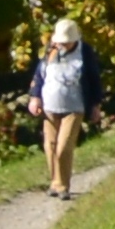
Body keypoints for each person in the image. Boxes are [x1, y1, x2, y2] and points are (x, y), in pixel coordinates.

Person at [32, 16, 97, 200]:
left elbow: (94, 79)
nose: (63, 45)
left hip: (74, 107)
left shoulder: (85, 52)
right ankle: (55, 182)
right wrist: (35, 97)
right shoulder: (50, 50)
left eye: (66, 42)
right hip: (49, 107)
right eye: (60, 42)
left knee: (64, 147)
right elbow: (39, 74)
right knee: (50, 147)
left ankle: (62, 186)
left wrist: (95, 105)